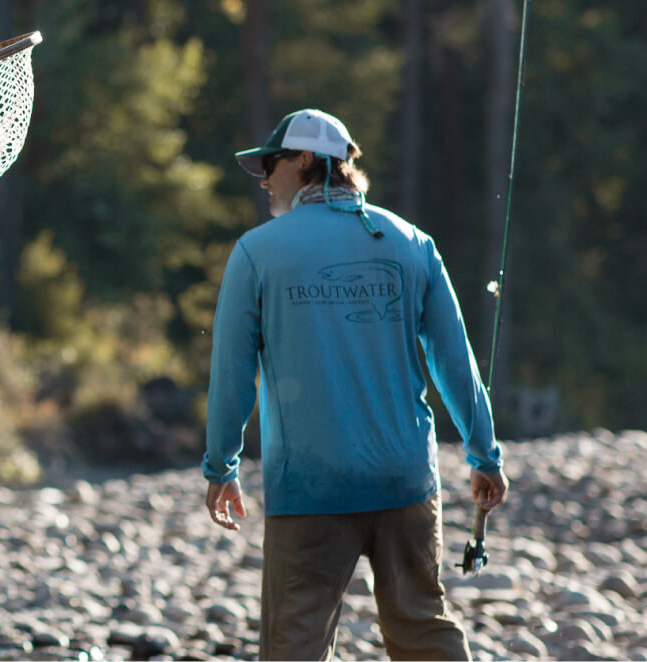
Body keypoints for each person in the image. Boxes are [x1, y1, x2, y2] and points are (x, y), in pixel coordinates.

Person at [200, 108, 509, 660]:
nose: (265, 178)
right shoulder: (413, 242)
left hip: (311, 491)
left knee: (293, 645)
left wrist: (221, 467)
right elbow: (454, 361)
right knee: (423, 631)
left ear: (305, 162)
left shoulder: (256, 252)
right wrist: (484, 456)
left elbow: (230, 373)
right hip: (406, 481)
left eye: (271, 164)